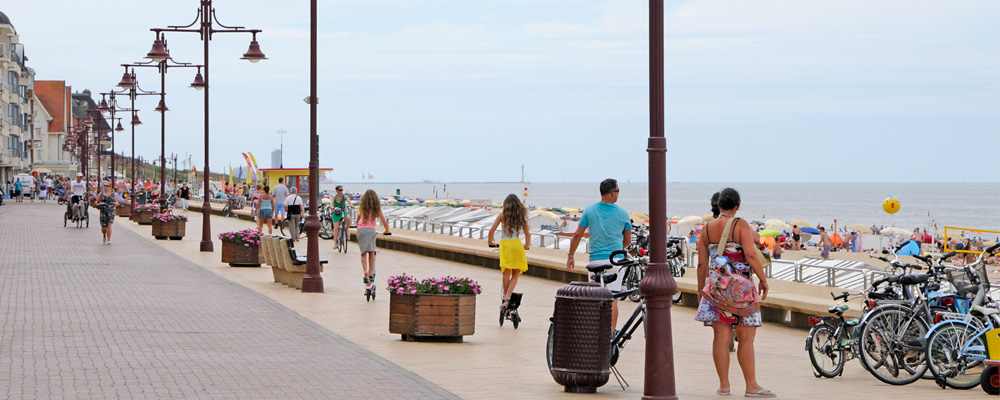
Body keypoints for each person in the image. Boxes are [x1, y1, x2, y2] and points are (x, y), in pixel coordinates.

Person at [694, 188, 773, 398]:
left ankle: (724, 385)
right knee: (746, 338)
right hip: (741, 291)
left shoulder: (707, 229)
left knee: (720, 337)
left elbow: (702, 263)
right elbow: (751, 254)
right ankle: (751, 386)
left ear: (719, 205)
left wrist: (700, 289)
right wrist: (763, 280)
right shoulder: (740, 225)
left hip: (717, 288)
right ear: (737, 206)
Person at [566, 179, 631, 329]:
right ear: (612, 194)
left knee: (595, 298)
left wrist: (571, 255)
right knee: (613, 298)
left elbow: (577, 235)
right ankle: (611, 336)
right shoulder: (623, 213)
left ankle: (596, 333)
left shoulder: (589, 211)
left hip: (596, 262)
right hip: (616, 262)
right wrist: (617, 250)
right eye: (618, 191)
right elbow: (627, 240)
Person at [488, 194, 531, 309]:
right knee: (516, 273)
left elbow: (491, 231)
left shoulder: (501, 216)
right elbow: (527, 234)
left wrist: (490, 242)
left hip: (505, 245)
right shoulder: (521, 217)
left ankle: (506, 298)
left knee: (506, 273)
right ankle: (507, 298)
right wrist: (526, 245)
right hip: (517, 244)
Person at [356, 190, 390, 286]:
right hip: (370, 230)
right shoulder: (376, 208)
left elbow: (358, 220)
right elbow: (384, 221)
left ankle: (365, 272)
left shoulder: (362, 208)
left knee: (363, 253)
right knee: (371, 251)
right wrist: (387, 230)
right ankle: (371, 272)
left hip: (361, 230)